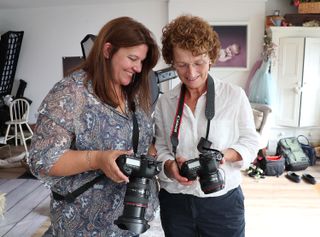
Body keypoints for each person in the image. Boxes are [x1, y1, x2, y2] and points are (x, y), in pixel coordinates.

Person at [27, 16, 160, 237]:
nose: (138, 68)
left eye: (142, 62)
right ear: (108, 51)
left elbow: (143, 143)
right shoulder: (71, 92)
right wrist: (97, 159)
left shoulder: (133, 93)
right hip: (84, 225)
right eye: (133, 58)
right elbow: (41, 159)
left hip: (130, 221)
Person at [154, 15, 259, 237]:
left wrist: (222, 157)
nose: (191, 73)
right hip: (175, 201)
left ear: (211, 58)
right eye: (182, 64)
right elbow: (161, 146)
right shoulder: (166, 101)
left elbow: (251, 142)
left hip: (222, 203)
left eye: (198, 62)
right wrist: (169, 166)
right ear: (172, 62)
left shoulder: (234, 96)